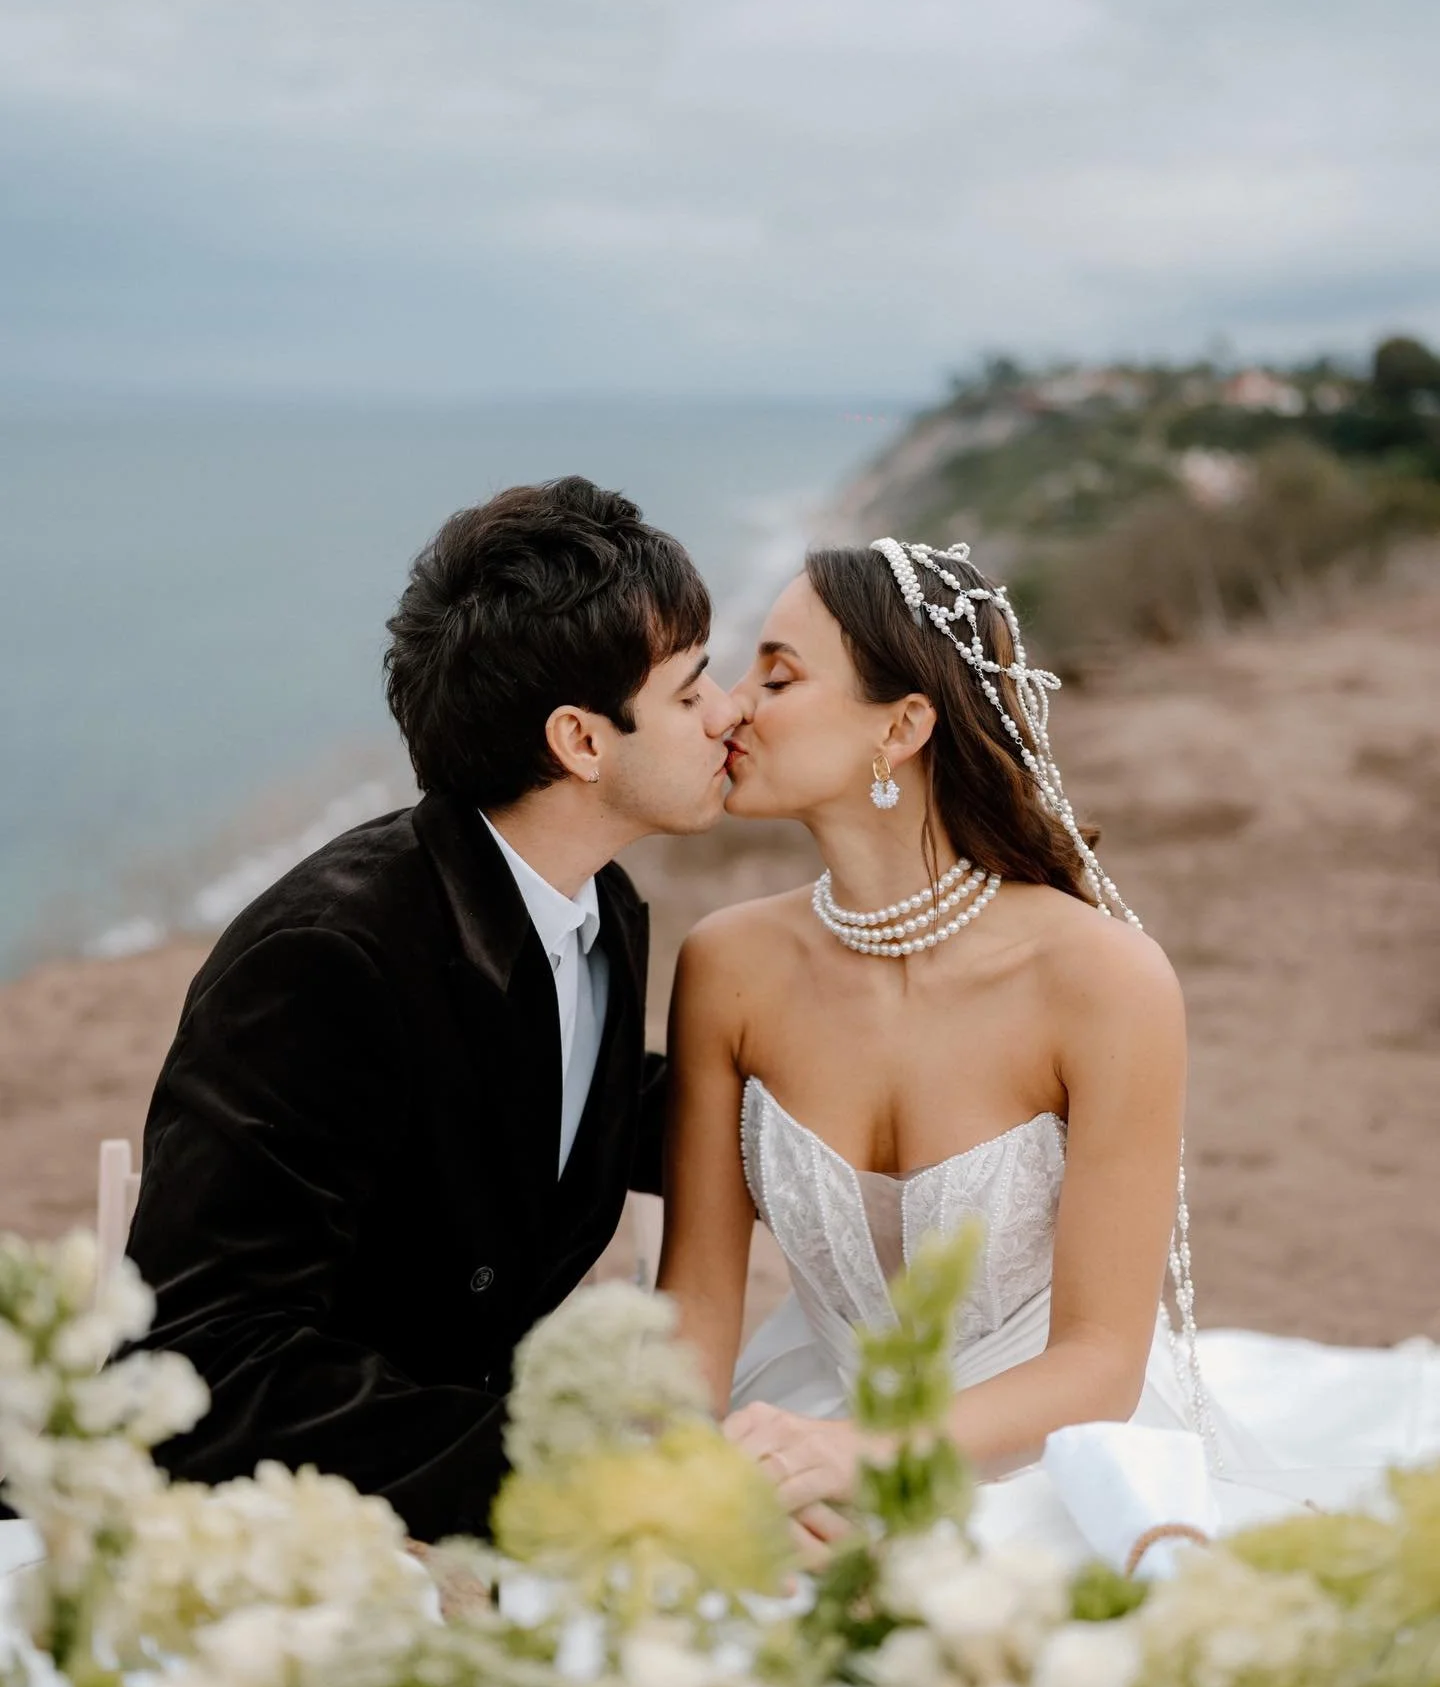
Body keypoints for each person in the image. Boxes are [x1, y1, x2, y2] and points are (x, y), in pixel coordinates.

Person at [658, 537, 1437, 1557]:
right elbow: (698, 1305)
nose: (732, 705)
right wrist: (687, 1476)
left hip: (1055, 1454)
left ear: (902, 726)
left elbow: (1102, 1359)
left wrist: (862, 1454)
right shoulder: (727, 965)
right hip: (803, 1424)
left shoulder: (1106, 981)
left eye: (779, 675)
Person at [125, 477, 740, 1542]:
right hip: (304, 1535)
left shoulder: (598, 904)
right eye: (691, 693)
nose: (729, 713)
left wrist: (844, 1105)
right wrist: (570, 1481)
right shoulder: (330, 960)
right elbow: (209, 1359)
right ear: (581, 743)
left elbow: (558, 1108)